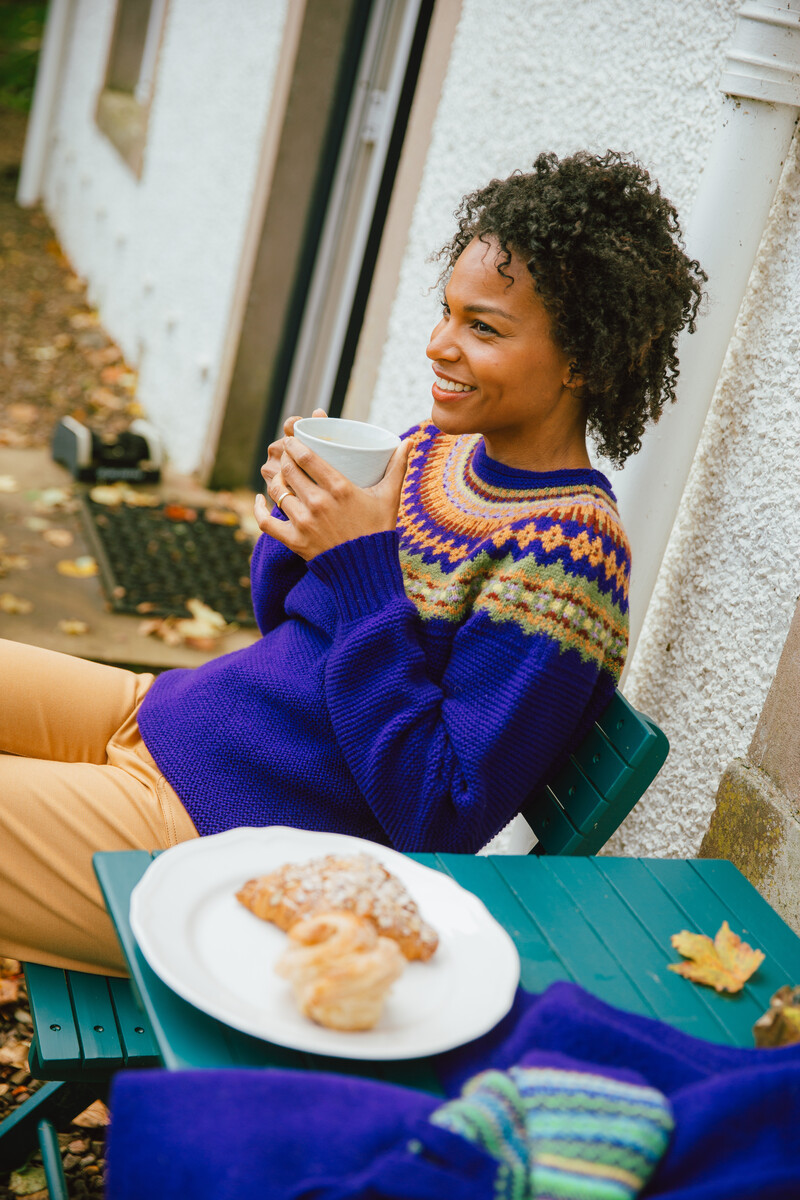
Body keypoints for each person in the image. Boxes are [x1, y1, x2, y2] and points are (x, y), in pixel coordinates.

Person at [0, 150, 704, 976]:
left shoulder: (570, 559)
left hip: (216, 843)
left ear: (581, 359)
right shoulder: (432, 456)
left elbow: (439, 815)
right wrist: (297, 531)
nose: (440, 346)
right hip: (166, 721)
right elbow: (298, 637)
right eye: (447, 313)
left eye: (483, 328)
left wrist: (364, 564)